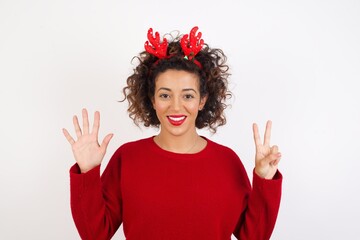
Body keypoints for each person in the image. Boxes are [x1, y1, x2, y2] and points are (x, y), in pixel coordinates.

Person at [63, 26, 282, 240]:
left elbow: (254, 236)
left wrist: (264, 180)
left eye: (187, 96)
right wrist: (88, 172)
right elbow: (95, 234)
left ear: (202, 100)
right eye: (165, 95)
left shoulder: (227, 162)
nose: (176, 107)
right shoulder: (127, 158)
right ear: (152, 99)